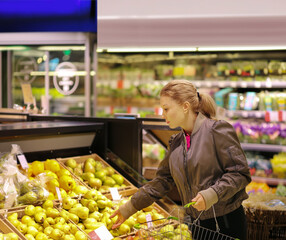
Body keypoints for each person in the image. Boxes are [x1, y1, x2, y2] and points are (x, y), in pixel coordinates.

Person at [110, 79, 251, 240]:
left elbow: (240, 173)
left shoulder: (217, 131)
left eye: (166, 109)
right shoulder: (176, 142)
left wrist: (212, 194)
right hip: (196, 225)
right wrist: (129, 208)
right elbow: (162, 181)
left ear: (185, 107)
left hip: (226, 223)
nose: (162, 115)